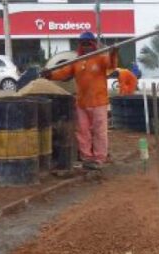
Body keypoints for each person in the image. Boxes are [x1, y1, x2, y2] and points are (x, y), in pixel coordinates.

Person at [48, 31, 118, 169]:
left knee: (99, 132)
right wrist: (49, 75)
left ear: (93, 45)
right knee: (82, 131)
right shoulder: (76, 61)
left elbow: (111, 65)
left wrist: (113, 53)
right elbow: (63, 73)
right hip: (82, 103)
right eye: (83, 44)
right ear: (80, 46)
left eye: (88, 44)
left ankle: (99, 159)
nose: (86, 47)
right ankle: (86, 158)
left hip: (99, 102)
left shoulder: (101, 58)